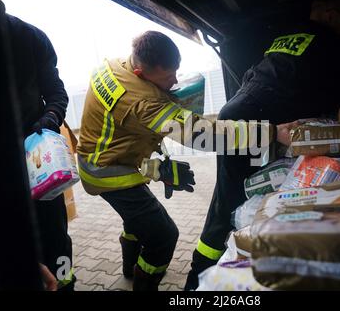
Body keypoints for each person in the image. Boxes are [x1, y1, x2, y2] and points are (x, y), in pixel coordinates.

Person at [185, 0, 340, 290]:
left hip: (237, 116)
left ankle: (214, 265)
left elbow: (259, 79)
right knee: (231, 203)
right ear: (329, 13)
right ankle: (200, 282)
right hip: (253, 125)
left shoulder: (287, 38)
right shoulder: (329, 44)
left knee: (232, 195)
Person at [77, 30, 294, 291]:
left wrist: (156, 167)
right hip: (106, 172)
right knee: (163, 236)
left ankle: (128, 269)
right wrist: (271, 132)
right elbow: (203, 136)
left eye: (175, 72)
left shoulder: (112, 65)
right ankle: (144, 283)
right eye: (168, 77)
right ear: (140, 73)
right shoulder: (143, 103)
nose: (174, 80)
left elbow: (126, 130)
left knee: (137, 220)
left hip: (106, 155)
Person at [0, 0, 75, 290]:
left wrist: (50, 119)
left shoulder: (30, 36)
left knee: (58, 246)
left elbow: (56, 92)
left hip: (37, 167)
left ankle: (67, 285)